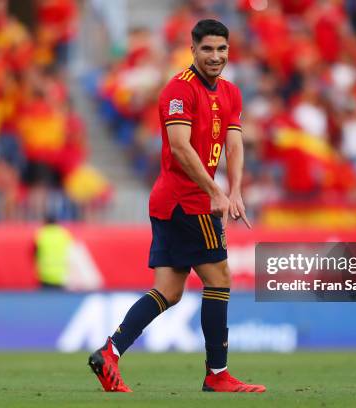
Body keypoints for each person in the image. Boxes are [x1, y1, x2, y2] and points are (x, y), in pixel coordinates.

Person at [88, 19, 266, 393]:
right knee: (219, 279)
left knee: (168, 290)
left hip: (180, 200)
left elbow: (234, 144)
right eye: (207, 49)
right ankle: (217, 374)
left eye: (221, 49)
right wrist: (214, 192)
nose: (215, 56)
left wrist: (234, 189)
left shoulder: (231, 93)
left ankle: (110, 352)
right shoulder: (178, 90)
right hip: (186, 200)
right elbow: (180, 147)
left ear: (229, 51)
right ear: (193, 50)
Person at [34, 214, 72, 289]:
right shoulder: (63, 233)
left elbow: (34, 252)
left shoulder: (41, 233)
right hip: (60, 275)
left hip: (45, 275)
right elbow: (71, 251)